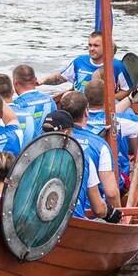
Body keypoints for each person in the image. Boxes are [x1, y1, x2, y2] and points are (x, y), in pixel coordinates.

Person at [84, 77, 138, 191]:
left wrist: (130, 99)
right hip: (113, 182)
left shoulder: (79, 118)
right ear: (109, 98)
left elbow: (107, 113)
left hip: (85, 177)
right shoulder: (116, 121)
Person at [42, 110, 118, 222]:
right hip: (73, 223)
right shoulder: (84, 158)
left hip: (36, 228)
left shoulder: (31, 157)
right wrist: (111, 213)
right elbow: (99, 210)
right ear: (68, 133)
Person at [56, 93, 122, 221]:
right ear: (86, 112)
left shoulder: (45, 142)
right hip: (87, 214)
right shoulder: (99, 145)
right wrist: (118, 219)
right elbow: (111, 193)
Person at [41, 31, 130, 97]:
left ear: (106, 47)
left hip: (102, 109)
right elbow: (60, 78)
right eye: (90, 45)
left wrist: (108, 101)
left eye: (96, 46)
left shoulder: (117, 66)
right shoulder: (79, 61)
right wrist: (42, 81)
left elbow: (126, 91)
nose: (91, 49)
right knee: (66, 96)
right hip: (79, 106)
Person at [10, 63, 55, 147]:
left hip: (28, 152)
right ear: (35, 80)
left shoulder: (17, 106)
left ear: (15, 83)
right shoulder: (50, 100)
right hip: (48, 147)